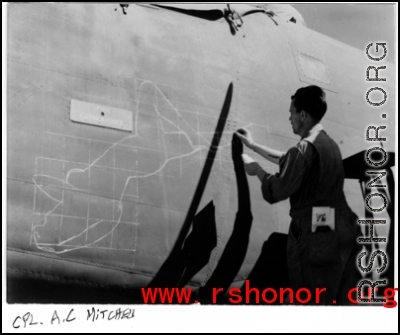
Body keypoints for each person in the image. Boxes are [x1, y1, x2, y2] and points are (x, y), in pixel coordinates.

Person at [235, 85, 361, 305]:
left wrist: (257, 171)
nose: (289, 118)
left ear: (302, 115)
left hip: (310, 236)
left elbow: (277, 191)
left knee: (305, 295)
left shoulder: (302, 150)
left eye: (291, 112)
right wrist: (253, 146)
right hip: (332, 228)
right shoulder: (324, 144)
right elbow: (287, 159)